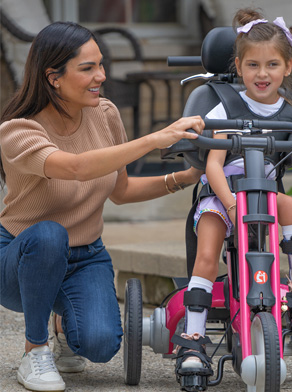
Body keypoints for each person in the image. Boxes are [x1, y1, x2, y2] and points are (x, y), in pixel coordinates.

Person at [0, 21, 205, 392]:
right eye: (88, 68)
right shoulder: (18, 131)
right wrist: (156, 139)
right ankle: (34, 350)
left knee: (100, 344)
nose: (101, 76)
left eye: (101, 65)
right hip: (19, 259)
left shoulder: (105, 114)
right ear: (54, 77)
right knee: (49, 234)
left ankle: (63, 326)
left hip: (85, 257)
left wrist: (186, 177)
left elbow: (121, 190)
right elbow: (76, 167)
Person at [172, 8, 292, 379]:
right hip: (223, 197)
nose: (262, 74)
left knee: (288, 204)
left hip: (265, 197)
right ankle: (193, 337)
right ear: (239, 66)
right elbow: (213, 165)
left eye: (272, 64)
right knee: (208, 251)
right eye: (253, 65)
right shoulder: (226, 105)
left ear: (287, 67)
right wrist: (229, 202)